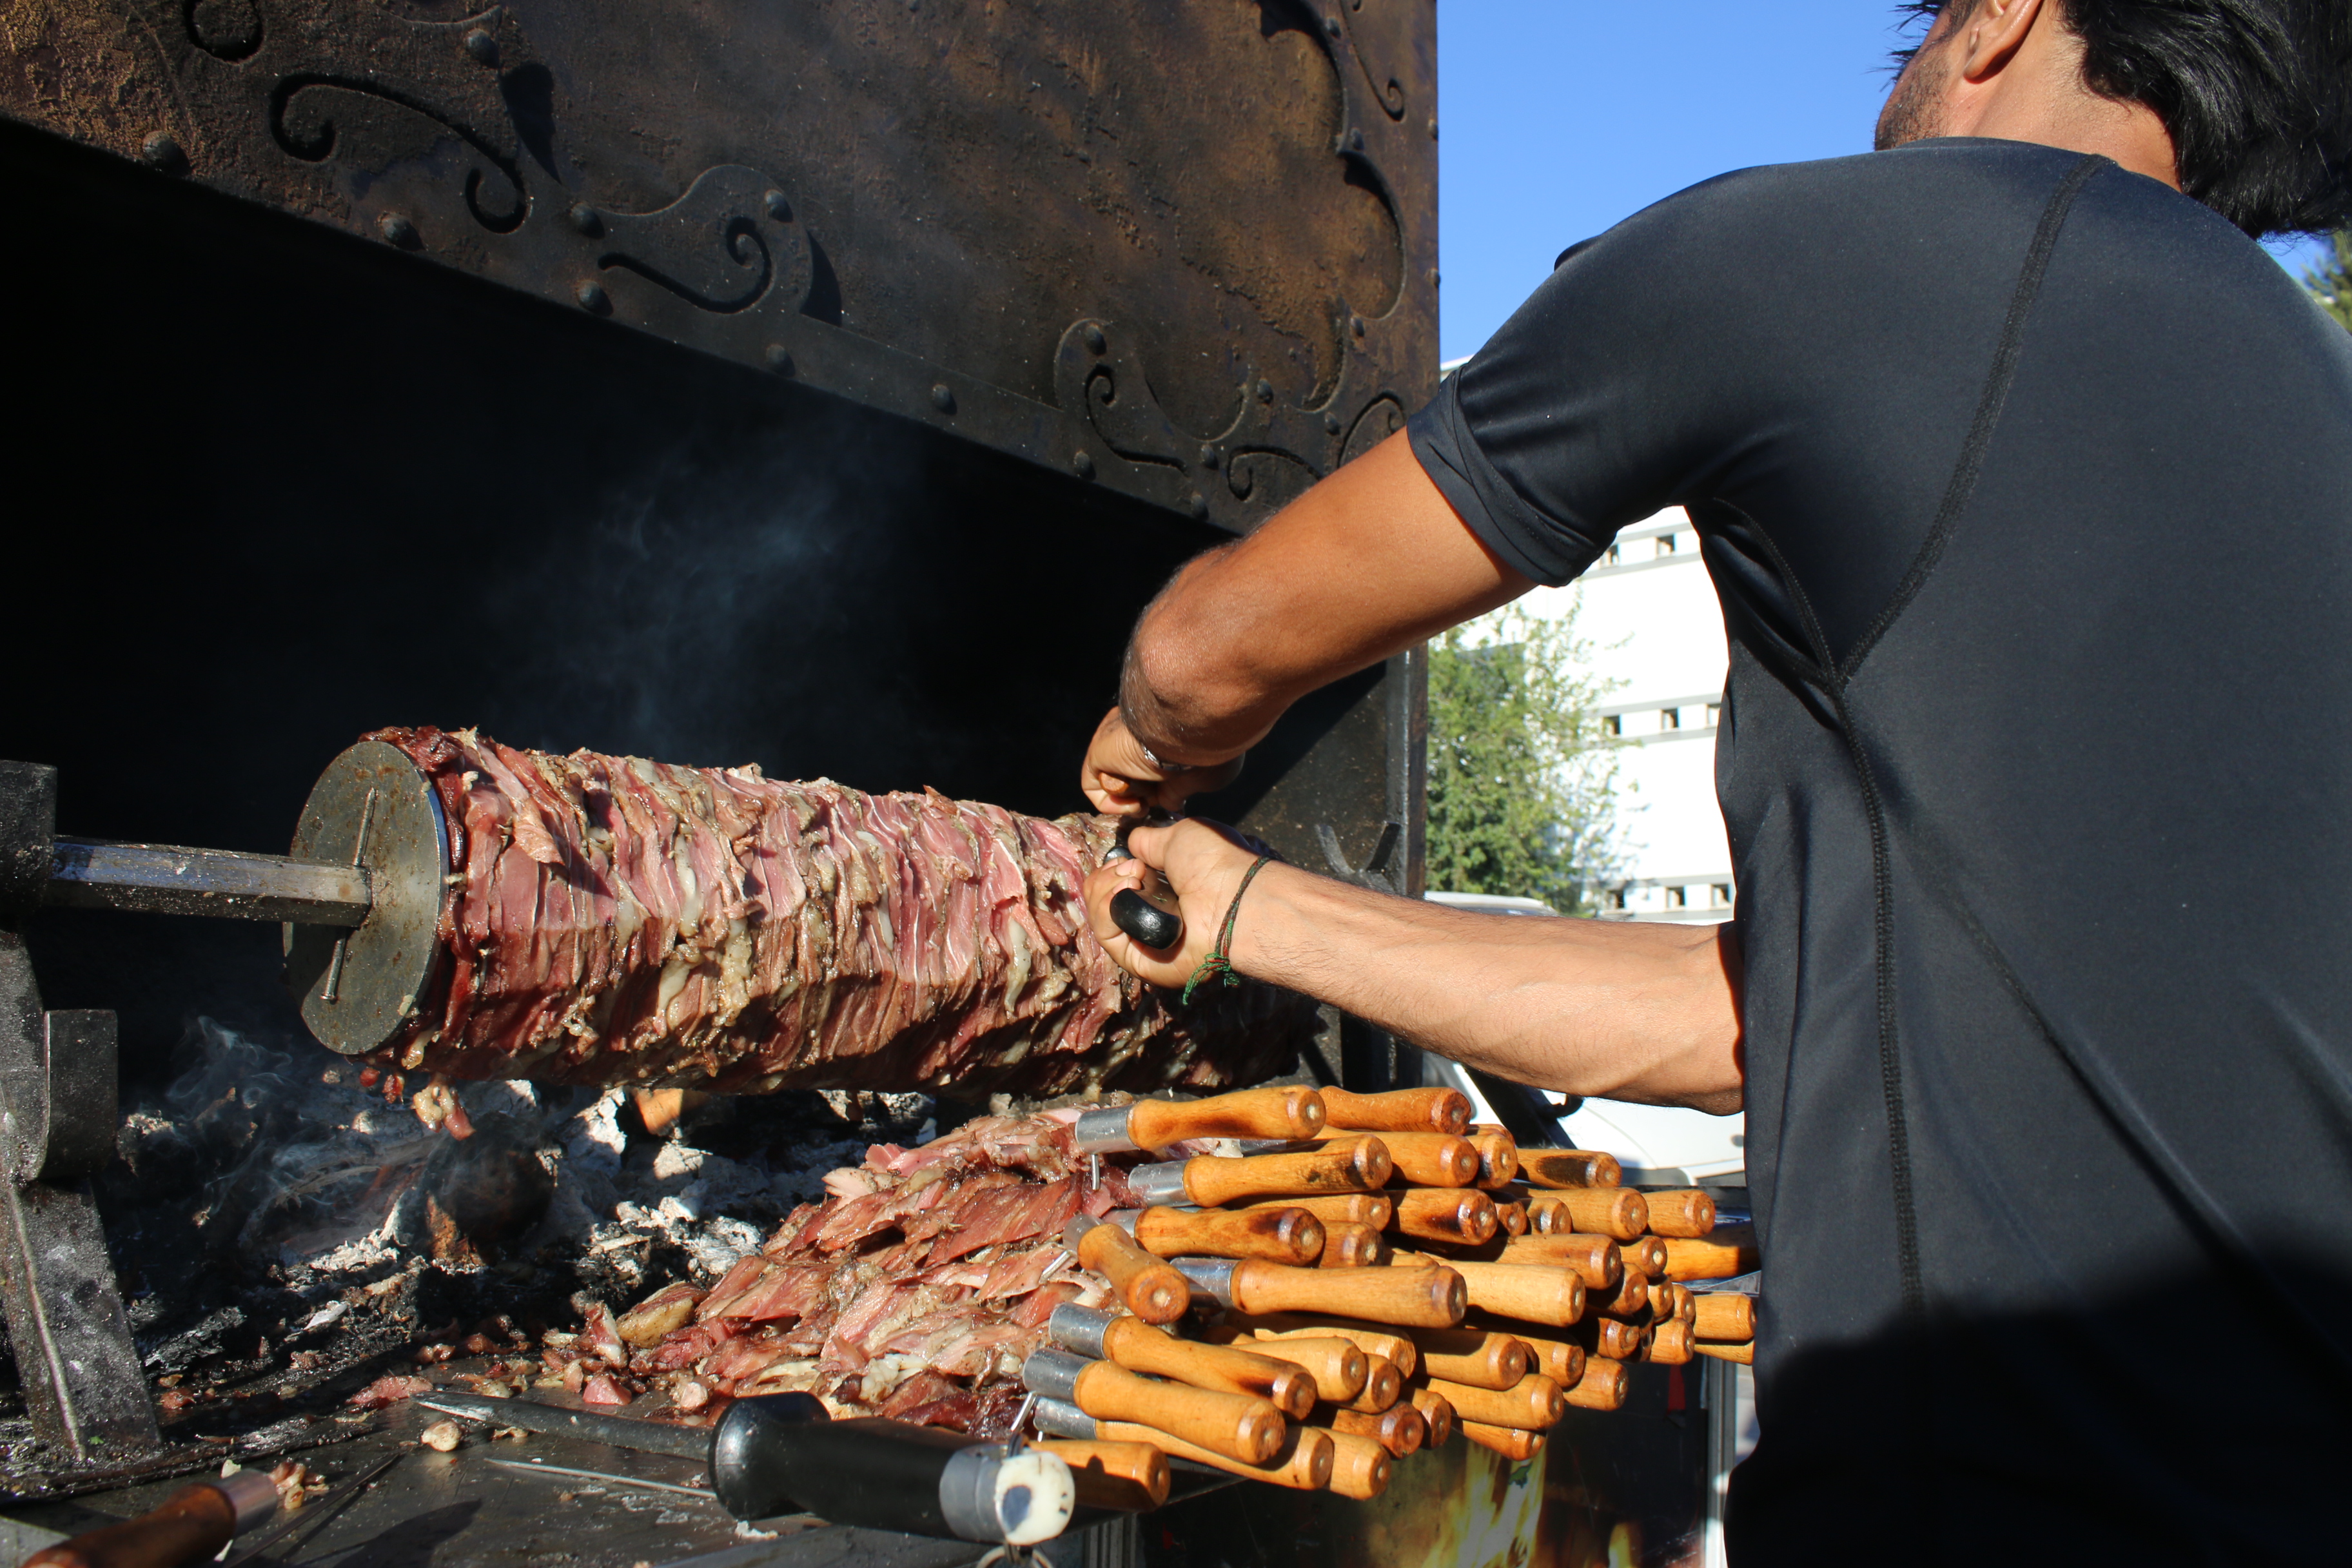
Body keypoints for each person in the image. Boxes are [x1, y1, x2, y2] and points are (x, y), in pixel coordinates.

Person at [1075, 0, 2352, 1560]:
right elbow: (1748, 1021)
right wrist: (1251, 909)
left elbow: (1218, 651)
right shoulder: (2308, 398)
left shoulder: (1829, 258)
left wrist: (1148, 742)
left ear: (2006, 11)